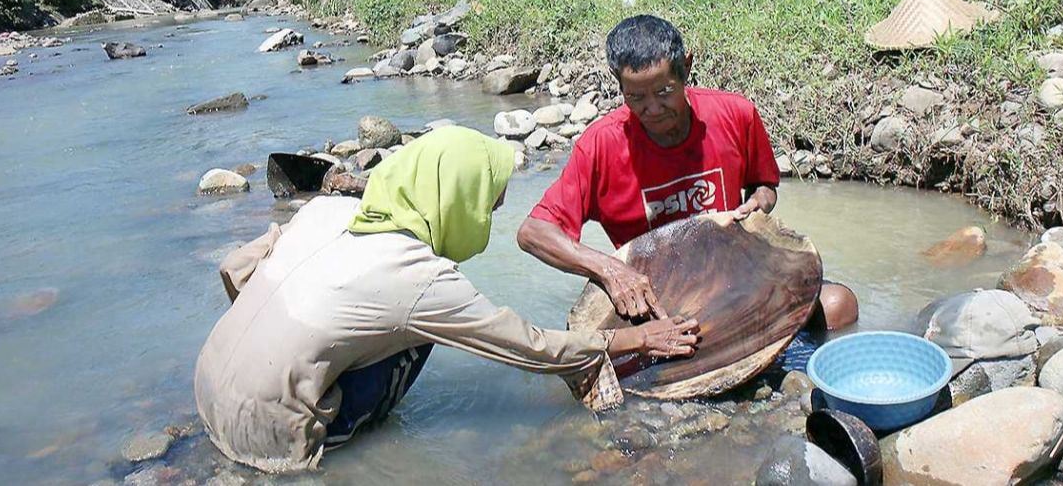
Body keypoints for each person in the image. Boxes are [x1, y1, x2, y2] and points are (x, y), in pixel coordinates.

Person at [194, 126, 698, 473]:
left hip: (208, 390)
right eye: (487, 204)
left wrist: (269, 351)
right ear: (455, 199)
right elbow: (529, 348)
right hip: (271, 440)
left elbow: (233, 268)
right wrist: (633, 337)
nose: (489, 216)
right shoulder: (420, 279)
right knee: (422, 335)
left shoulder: (325, 212)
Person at [517, 15, 857, 331]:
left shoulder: (736, 114)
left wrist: (759, 204)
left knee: (838, 304)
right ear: (619, 85)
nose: (652, 109)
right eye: (636, 97)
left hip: (733, 275)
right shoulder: (600, 146)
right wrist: (610, 270)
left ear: (687, 68)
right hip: (659, 297)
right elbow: (533, 232)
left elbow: (764, 185)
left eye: (665, 92)